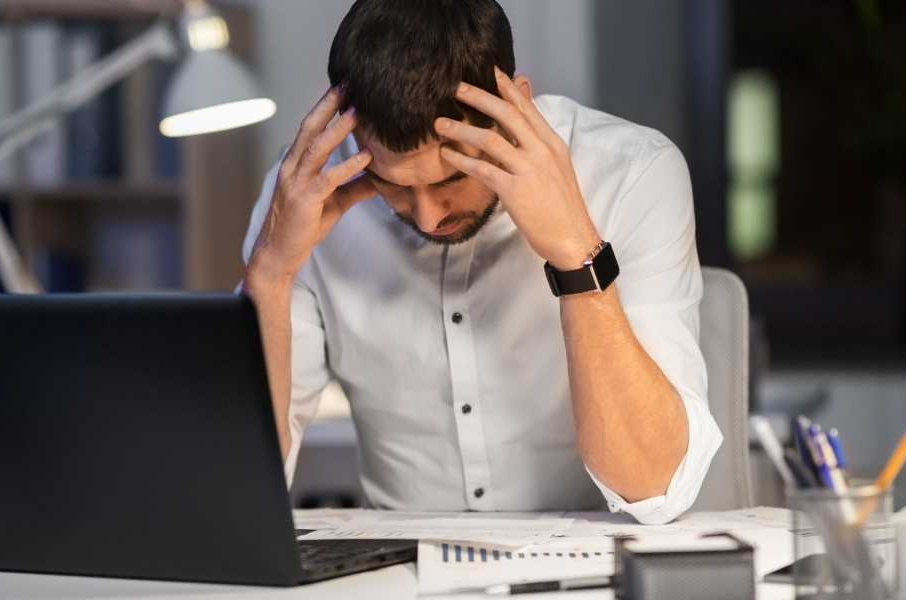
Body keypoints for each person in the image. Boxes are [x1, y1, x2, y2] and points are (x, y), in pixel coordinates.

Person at [241, 0, 721, 525]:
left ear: (514, 109)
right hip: (399, 569)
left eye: (451, 177)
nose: (426, 217)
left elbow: (655, 488)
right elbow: (243, 478)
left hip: (587, 561)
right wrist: (269, 273)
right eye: (391, 185)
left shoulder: (633, 174)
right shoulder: (301, 200)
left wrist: (576, 255)